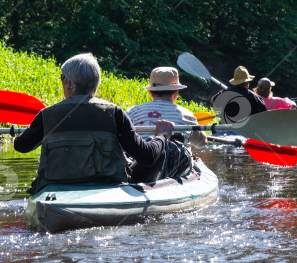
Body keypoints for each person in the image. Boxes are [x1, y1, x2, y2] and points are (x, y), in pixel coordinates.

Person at [14, 53, 179, 192]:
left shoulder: (46, 115)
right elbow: (147, 157)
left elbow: (21, 146)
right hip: (108, 187)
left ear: (69, 83)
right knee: (158, 150)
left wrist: (35, 128)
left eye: (62, 78)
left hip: (54, 187)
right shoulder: (114, 113)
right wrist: (162, 136)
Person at [127, 66, 208, 148]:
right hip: (177, 160)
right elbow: (201, 144)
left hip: (142, 159)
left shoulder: (133, 111)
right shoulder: (187, 115)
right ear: (176, 92)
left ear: (150, 92)